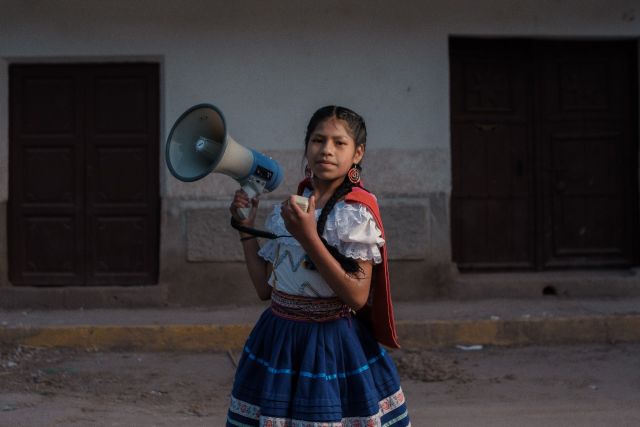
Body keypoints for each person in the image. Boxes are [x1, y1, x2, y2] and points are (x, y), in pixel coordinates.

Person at [226, 106, 410, 426]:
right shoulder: (290, 209)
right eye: (318, 140)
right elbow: (263, 289)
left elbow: (356, 297)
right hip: (278, 340)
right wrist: (246, 228)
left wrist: (309, 236)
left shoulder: (355, 213)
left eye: (339, 143)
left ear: (357, 153)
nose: (326, 150)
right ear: (307, 146)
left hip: (329, 346)